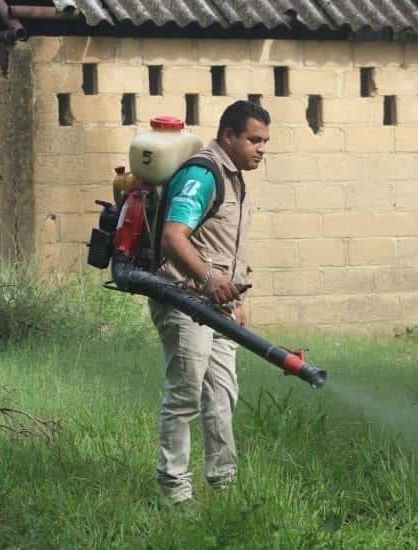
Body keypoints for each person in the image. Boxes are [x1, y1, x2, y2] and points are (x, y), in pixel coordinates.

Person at [149, 100, 270, 505]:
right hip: (185, 301)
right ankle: (174, 493)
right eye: (254, 139)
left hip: (219, 306)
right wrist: (207, 278)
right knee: (185, 396)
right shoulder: (203, 174)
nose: (261, 148)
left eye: (265, 141)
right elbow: (173, 237)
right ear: (228, 136)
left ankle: (224, 486)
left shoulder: (236, 178)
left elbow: (224, 246)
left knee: (222, 395)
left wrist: (237, 293)